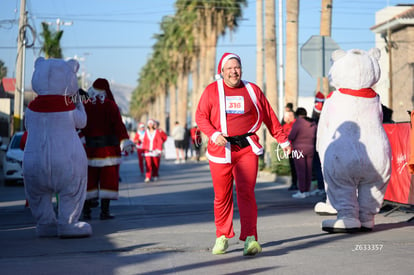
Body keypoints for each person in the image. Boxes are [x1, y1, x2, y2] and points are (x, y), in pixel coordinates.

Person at [195, 52, 291, 256]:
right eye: (229, 68)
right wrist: (213, 135)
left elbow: (269, 115)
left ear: (241, 69)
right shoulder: (212, 91)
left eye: (236, 67)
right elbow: (201, 116)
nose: (233, 71)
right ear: (221, 72)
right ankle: (222, 236)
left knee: (246, 192)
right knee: (222, 196)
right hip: (221, 149)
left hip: (246, 148)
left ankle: (250, 238)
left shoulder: (252, 90)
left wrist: (282, 139)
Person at [81, 78, 134, 220]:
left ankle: (86, 212)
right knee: (108, 182)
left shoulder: (85, 105)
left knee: (89, 181)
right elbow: (119, 126)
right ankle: (104, 212)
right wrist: (124, 140)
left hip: (89, 151)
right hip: (109, 151)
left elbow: (80, 125)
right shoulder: (111, 106)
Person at [288, 107, 317, 199]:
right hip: (311, 148)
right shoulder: (313, 123)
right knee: (308, 170)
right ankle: (307, 190)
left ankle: (302, 191)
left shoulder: (298, 122)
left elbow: (292, 136)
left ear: (297, 114)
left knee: (300, 170)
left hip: (299, 149)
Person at [282, 108, 298, 191]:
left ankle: (297, 184)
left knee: (297, 168)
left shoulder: (295, 124)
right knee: (293, 167)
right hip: (290, 149)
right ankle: (294, 183)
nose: (285, 119)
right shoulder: (285, 125)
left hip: (296, 148)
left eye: (286, 117)